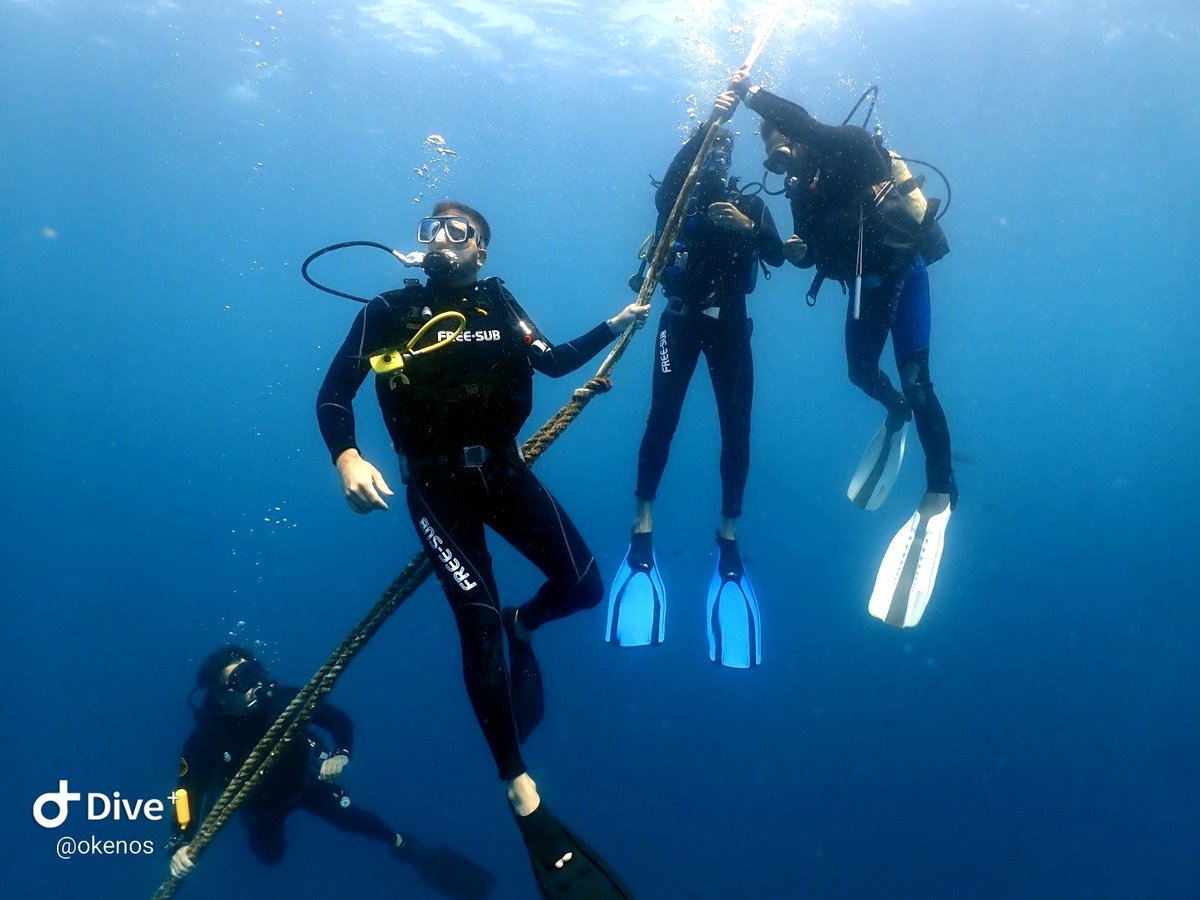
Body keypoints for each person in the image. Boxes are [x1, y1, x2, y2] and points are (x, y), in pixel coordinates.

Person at [315, 200, 641, 896]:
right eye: (431, 228)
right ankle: (518, 786)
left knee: (586, 587)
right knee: (476, 620)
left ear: (481, 250)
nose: (439, 237)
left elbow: (551, 362)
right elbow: (335, 392)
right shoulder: (387, 311)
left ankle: (526, 624)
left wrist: (614, 326)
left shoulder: (498, 303)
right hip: (436, 489)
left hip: (505, 472)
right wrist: (347, 456)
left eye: (456, 231)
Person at [728, 72, 957, 626]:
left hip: (903, 275)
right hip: (863, 291)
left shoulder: (849, 146)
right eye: (768, 140)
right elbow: (817, 253)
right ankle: (895, 413)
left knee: (917, 381)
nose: (777, 145)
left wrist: (751, 95)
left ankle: (940, 490)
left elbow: (806, 125)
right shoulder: (800, 190)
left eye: (780, 134)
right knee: (860, 374)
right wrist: (800, 253)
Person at [607, 116, 784, 669]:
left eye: (725, 152)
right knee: (662, 418)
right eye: (711, 150)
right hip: (679, 324)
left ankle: (728, 537)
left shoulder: (749, 205)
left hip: (730, 329)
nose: (717, 160)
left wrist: (748, 227)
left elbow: (778, 256)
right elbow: (669, 186)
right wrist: (713, 120)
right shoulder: (677, 201)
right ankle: (642, 529)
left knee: (736, 428)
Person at [165, 644, 494, 899]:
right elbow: (184, 794)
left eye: (254, 672)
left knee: (359, 821)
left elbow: (339, 721)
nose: (256, 684)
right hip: (262, 809)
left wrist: (341, 755)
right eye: (241, 680)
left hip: (308, 782)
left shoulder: (285, 701)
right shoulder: (204, 741)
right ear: (220, 696)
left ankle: (412, 851)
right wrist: (181, 840)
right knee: (270, 857)